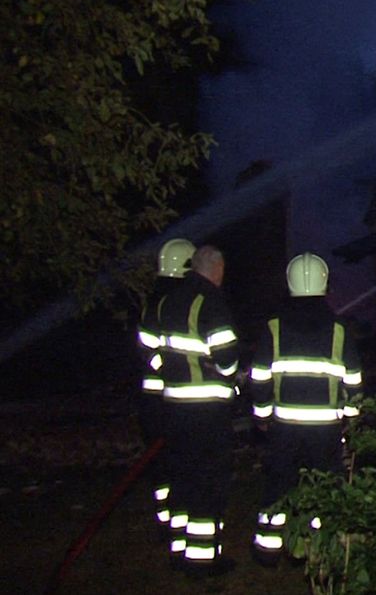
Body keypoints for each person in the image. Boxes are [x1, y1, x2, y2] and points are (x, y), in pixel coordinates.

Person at [249, 252, 363, 566]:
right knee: (325, 487)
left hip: (283, 427)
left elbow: (259, 376)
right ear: (325, 283)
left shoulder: (274, 327)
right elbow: (354, 382)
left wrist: (262, 416)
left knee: (278, 484)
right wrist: (351, 423)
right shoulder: (339, 329)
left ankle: (268, 550)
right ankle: (322, 550)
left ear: (289, 283)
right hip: (326, 430)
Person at [153, 244, 240, 576]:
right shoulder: (211, 301)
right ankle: (203, 560)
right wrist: (227, 373)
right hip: (207, 410)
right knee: (208, 480)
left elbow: (154, 354)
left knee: (183, 476)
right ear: (216, 269)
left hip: (173, 406)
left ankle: (179, 549)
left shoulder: (168, 301)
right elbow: (227, 359)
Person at [135, 238, 195, 536]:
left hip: (154, 400)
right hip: (166, 400)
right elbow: (151, 351)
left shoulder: (154, 303)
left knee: (164, 464)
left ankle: (168, 519)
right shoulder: (172, 304)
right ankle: (174, 520)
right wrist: (175, 369)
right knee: (176, 460)